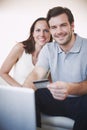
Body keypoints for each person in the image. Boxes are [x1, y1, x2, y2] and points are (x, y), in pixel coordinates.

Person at [23, 6, 87, 130]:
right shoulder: (48, 49)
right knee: (34, 94)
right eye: (53, 27)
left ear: (72, 25)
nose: (58, 31)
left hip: (81, 101)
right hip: (56, 99)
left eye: (63, 25)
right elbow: (36, 74)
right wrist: (24, 93)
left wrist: (70, 88)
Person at [0, 17, 52, 87]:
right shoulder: (20, 48)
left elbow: (48, 80)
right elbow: (3, 72)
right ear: (33, 33)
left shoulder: (52, 54)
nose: (42, 34)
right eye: (38, 30)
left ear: (51, 33)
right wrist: (22, 90)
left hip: (37, 95)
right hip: (17, 94)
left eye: (46, 30)